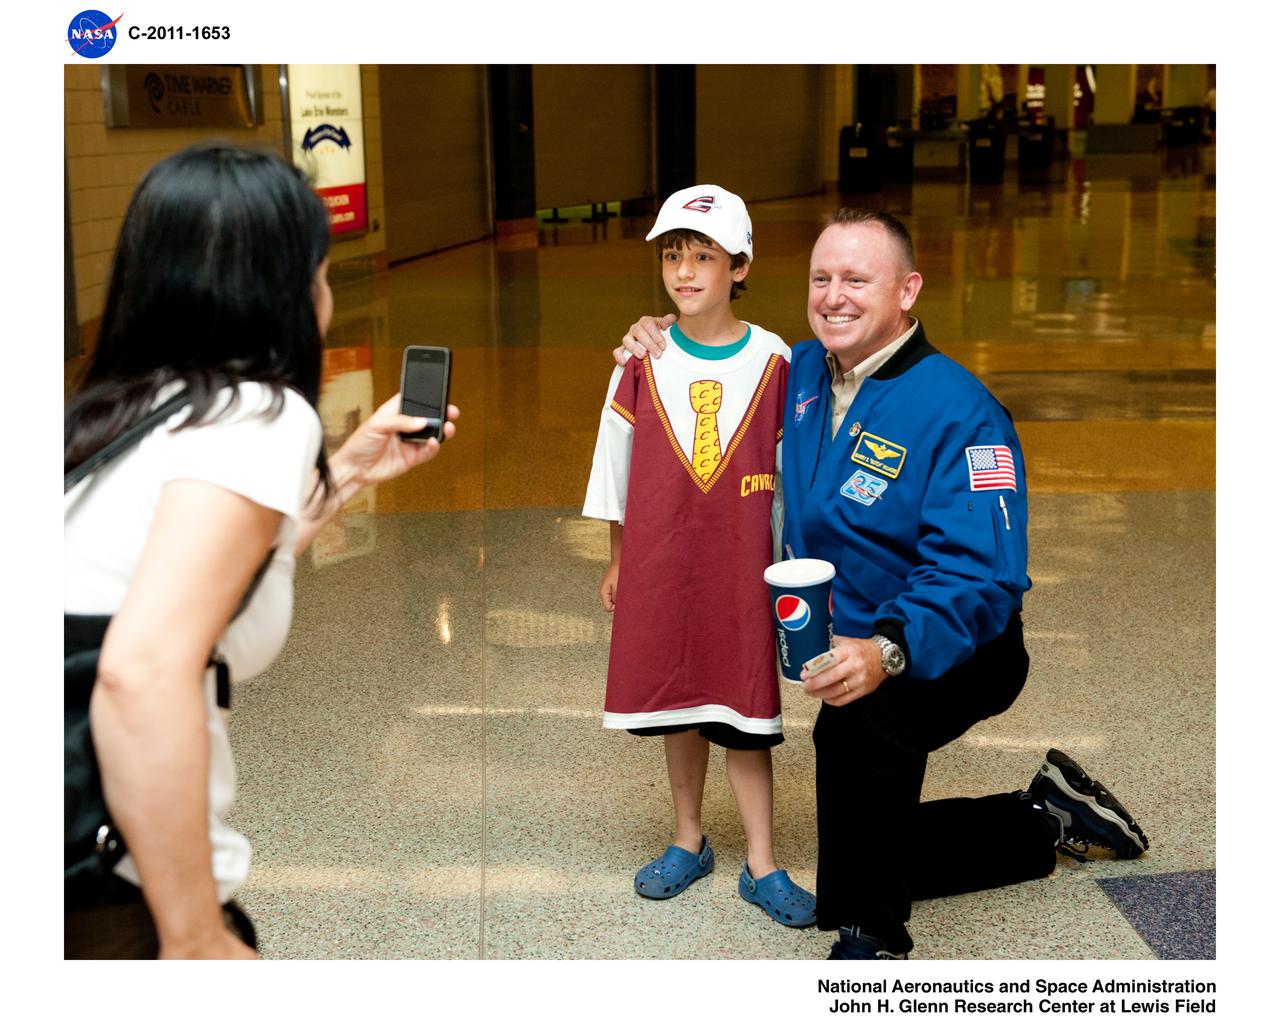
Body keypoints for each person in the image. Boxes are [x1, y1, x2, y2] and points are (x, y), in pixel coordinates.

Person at [617, 207, 1149, 959]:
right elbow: (716, 353)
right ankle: (1042, 819)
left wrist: (888, 651)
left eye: (857, 279)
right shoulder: (799, 374)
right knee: (851, 863)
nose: (834, 296)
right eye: (821, 278)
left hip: (958, 642)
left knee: (860, 734)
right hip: (847, 635)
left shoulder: (962, 412)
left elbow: (982, 574)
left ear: (907, 291)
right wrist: (659, 332)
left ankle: (876, 936)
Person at [63, 142, 460, 959]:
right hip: (100, 882)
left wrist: (347, 473)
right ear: (280, 287)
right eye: (317, 268)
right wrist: (194, 937)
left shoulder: (118, 409)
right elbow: (138, 671)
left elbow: (205, 571)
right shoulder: (259, 412)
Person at [583, 185, 816, 927]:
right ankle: (688, 839)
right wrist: (619, 558)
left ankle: (761, 861)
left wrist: (794, 566)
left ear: (740, 265)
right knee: (680, 699)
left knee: (745, 709)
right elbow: (616, 468)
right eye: (672, 256)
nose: (685, 272)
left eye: (703, 256)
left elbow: (796, 478)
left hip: (743, 565)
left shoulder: (776, 359)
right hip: (664, 562)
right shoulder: (640, 359)